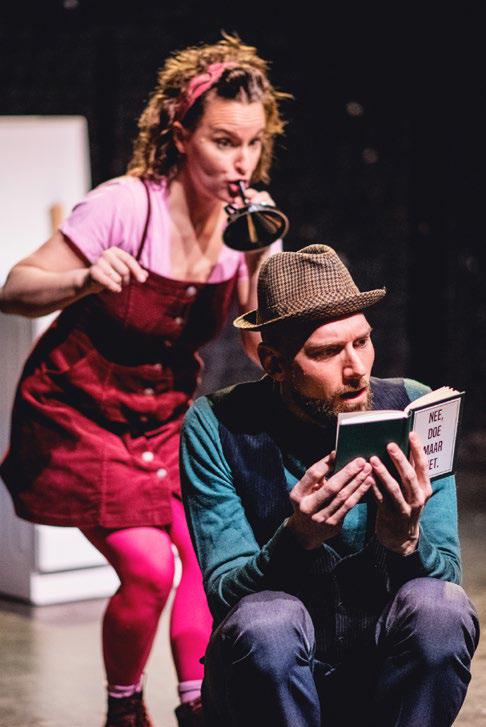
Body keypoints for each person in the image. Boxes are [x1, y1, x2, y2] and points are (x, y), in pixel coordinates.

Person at [0, 34, 289, 727]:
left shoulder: (249, 227)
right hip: (77, 411)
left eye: (253, 143)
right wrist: (82, 277)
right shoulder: (128, 204)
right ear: (181, 134)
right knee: (150, 568)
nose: (241, 162)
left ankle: (198, 702)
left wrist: (262, 269)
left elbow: (260, 351)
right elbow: (14, 288)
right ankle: (124, 710)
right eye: (223, 141)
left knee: (206, 551)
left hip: (162, 416)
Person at [180, 244, 479, 727]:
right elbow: (224, 594)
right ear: (274, 363)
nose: (356, 369)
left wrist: (407, 541)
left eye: (362, 342)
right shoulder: (218, 424)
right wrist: (295, 539)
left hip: (382, 677)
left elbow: (446, 575)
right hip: (273, 687)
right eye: (327, 352)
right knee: (267, 623)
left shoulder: (414, 407)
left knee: (442, 611)